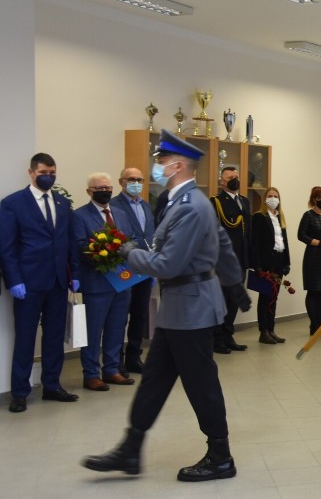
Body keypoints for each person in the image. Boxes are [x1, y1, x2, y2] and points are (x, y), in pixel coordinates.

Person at [81, 130, 250, 481]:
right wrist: (234, 285)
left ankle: (221, 456)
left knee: (201, 384)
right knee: (154, 381)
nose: (156, 166)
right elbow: (222, 243)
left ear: (178, 165)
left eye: (160, 161)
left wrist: (128, 251)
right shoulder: (178, 201)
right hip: (179, 309)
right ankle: (130, 450)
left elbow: (167, 264)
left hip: (191, 309)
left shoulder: (191, 207)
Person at [0, 153, 81, 413]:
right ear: (32, 173)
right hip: (28, 284)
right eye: (45, 171)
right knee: (25, 338)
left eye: (53, 172)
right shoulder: (13, 204)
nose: (50, 176)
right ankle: (20, 392)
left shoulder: (61, 202)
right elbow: (7, 247)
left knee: (54, 337)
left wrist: (74, 274)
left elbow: (68, 242)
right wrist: (13, 279)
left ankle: (52, 385)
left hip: (58, 281)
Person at [73, 172, 137, 391]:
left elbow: (131, 238)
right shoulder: (79, 216)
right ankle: (91, 374)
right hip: (96, 282)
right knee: (93, 330)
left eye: (108, 188)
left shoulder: (120, 213)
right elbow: (81, 245)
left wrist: (127, 252)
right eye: (100, 189)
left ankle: (111, 370)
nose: (105, 191)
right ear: (90, 191)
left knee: (117, 327)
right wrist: (104, 256)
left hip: (122, 281)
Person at [110, 167, 155, 374]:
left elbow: (151, 236)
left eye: (139, 179)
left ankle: (134, 357)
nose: (136, 183)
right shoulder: (113, 205)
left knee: (140, 315)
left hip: (145, 268)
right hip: (124, 269)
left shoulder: (146, 206)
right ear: (121, 182)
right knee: (120, 316)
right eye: (131, 179)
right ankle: (115, 360)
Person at [211, 166, 251, 354]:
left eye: (237, 176)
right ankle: (216, 338)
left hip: (241, 259)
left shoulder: (244, 201)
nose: (235, 180)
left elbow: (248, 232)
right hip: (224, 259)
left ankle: (228, 335)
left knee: (234, 299)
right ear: (222, 181)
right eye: (230, 177)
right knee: (221, 300)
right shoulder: (216, 202)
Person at [250, 186, 290, 344]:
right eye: (270, 196)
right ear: (265, 199)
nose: (273, 199)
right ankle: (263, 331)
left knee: (274, 297)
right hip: (266, 262)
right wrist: (258, 266)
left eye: (276, 196)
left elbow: (284, 242)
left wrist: (287, 262)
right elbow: (256, 244)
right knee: (265, 297)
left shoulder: (280, 218)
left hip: (279, 261)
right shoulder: (260, 217)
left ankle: (272, 329)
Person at [297, 187, 321, 337]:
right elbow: (301, 235)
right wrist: (319, 243)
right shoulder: (308, 215)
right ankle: (314, 325)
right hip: (313, 256)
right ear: (313, 200)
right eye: (319, 197)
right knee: (313, 291)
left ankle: (320, 325)